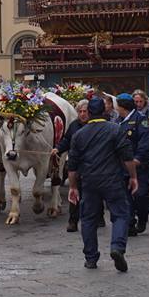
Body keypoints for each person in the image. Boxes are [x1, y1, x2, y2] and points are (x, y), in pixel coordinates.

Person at [67, 97, 137, 272]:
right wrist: (133, 177)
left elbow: (72, 165)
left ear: (89, 113)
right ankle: (117, 247)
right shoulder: (115, 129)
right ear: (105, 112)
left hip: (89, 181)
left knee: (89, 219)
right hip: (112, 179)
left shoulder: (79, 135)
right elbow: (126, 156)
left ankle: (91, 258)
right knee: (120, 214)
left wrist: (73, 187)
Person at [116, 93, 149, 236]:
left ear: (123, 106)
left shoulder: (141, 120)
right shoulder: (117, 121)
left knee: (140, 195)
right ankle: (130, 223)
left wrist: (137, 159)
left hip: (139, 167)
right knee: (125, 197)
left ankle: (143, 217)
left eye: (118, 105)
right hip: (122, 167)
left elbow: (145, 142)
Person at [55, 99, 90, 232]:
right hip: (76, 165)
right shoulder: (74, 125)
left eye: (85, 111)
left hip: (92, 166)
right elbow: (67, 140)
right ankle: (73, 221)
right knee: (74, 193)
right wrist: (58, 149)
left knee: (93, 195)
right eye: (80, 111)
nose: (82, 114)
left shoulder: (94, 125)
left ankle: (98, 218)